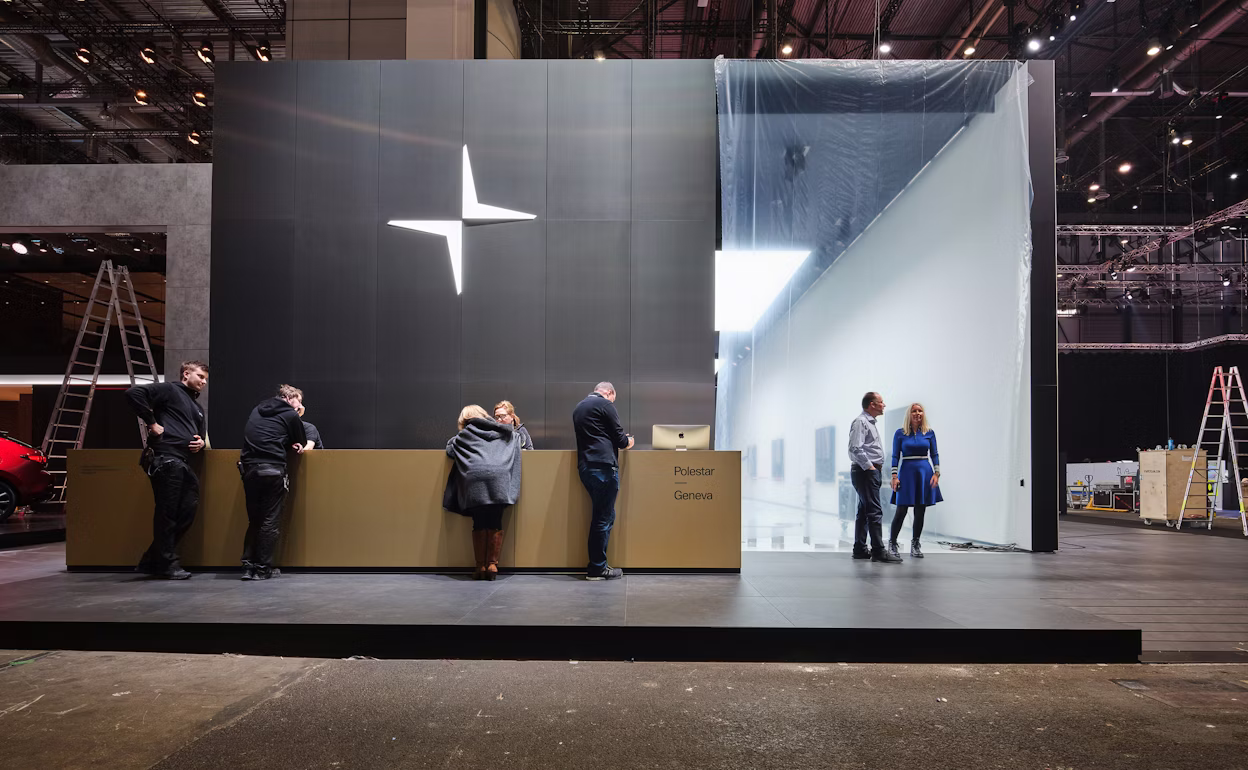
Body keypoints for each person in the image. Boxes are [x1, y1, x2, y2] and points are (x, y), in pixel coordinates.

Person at [125, 360, 210, 580]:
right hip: (165, 458)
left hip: (182, 461)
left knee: (186, 510)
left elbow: (201, 436)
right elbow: (134, 393)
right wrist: (152, 423)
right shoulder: (170, 389)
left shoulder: (197, 408)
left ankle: (153, 560)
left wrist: (201, 443)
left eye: (205, 379)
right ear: (185, 373)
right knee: (168, 513)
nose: (203, 382)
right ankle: (165, 563)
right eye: (200, 376)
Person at [239, 384, 311, 580]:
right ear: (289, 398)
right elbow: (301, 440)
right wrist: (297, 414)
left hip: (249, 469)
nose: (300, 406)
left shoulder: (257, 410)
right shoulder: (291, 415)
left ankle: (247, 567)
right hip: (272, 469)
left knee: (255, 520)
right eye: (298, 402)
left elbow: (264, 435)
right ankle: (262, 568)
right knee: (270, 521)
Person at [443, 405, 522, 580]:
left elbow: (450, 450)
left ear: (465, 419)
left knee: (479, 522)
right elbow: (516, 440)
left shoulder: (464, 434)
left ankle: (480, 566)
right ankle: (492, 565)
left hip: (474, 480)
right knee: (495, 521)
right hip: (499, 479)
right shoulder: (503, 431)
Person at [572, 382, 633, 580]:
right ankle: (597, 569)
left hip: (586, 467)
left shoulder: (579, 407)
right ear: (609, 392)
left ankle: (597, 566)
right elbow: (620, 440)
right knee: (603, 518)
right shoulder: (606, 405)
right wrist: (628, 441)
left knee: (601, 516)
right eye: (613, 397)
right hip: (604, 468)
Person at [848, 391, 901, 564]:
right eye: (881, 402)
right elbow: (855, 448)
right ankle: (878, 550)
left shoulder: (869, 422)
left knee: (864, 511)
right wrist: (870, 467)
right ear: (872, 404)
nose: (884, 404)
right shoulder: (861, 422)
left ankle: (860, 549)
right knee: (874, 511)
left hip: (868, 471)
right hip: (865, 472)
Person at [889, 402, 942, 559]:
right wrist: (894, 476)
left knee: (920, 511)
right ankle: (892, 543)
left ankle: (915, 544)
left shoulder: (929, 433)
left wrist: (937, 473)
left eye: (920, 411)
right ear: (909, 414)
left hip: (924, 473)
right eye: (914, 411)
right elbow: (895, 456)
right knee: (901, 510)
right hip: (906, 473)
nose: (917, 413)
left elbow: (935, 454)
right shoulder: (900, 433)